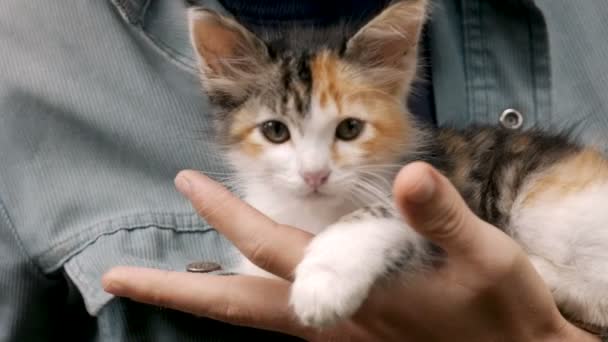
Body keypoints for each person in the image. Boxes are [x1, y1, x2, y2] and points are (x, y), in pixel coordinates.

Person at [1, 0, 606, 341]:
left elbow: (386, 230)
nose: (313, 170)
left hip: (540, 205)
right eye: (276, 132)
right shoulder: (24, 51)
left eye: (346, 130)